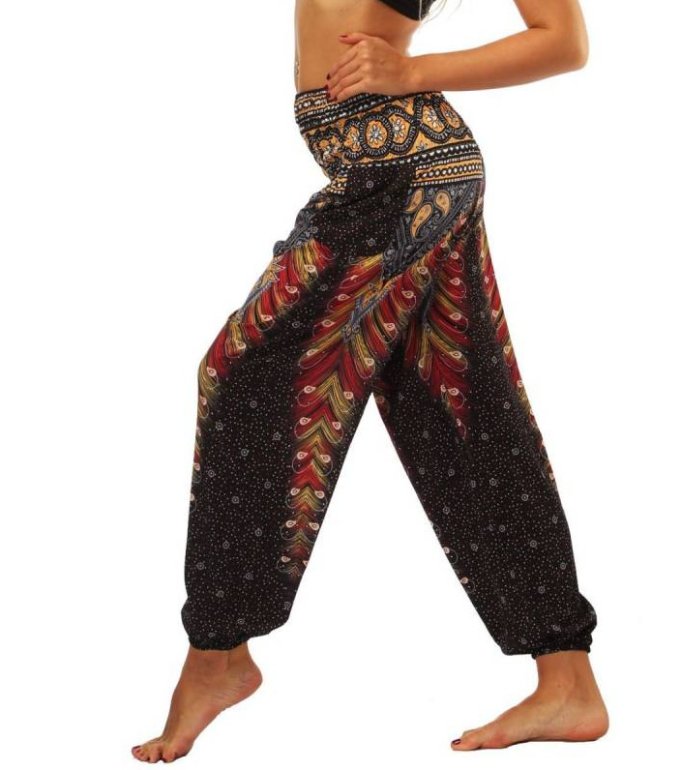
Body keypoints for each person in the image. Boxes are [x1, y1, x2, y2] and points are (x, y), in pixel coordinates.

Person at [131, 0, 609, 761]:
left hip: (405, 171)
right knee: (459, 409)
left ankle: (219, 654)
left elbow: (564, 41)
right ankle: (567, 678)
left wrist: (412, 70)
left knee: (244, 373)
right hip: (387, 167)